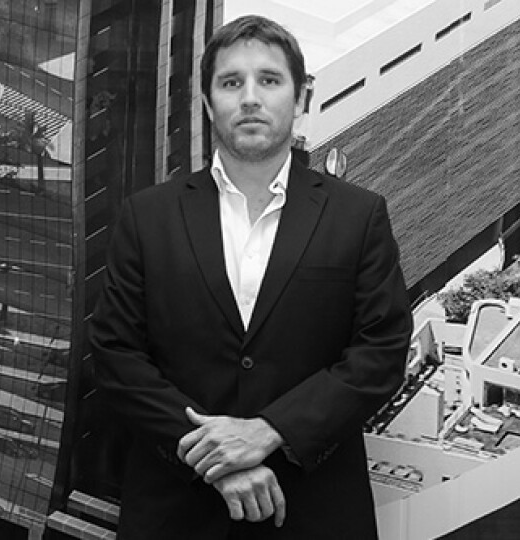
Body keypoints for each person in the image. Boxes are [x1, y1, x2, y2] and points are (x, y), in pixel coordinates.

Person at [91, 14, 413, 539]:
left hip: (313, 512)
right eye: (230, 82)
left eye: (269, 80)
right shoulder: (147, 216)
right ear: (207, 102)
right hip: (176, 515)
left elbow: (381, 352)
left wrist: (269, 431)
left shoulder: (359, 215)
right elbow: (116, 354)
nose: (249, 98)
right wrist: (217, 459)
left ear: (301, 97)